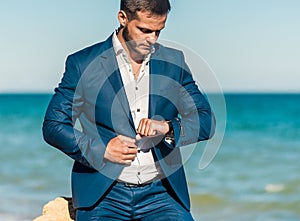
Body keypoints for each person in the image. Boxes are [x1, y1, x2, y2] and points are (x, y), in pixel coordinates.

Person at [42, 0, 215, 220]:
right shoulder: (82, 64)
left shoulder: (174, 62)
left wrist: (167, 128)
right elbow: (53, 126)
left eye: (158, 32)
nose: (152, 39)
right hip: (103, 195)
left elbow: (205, 120)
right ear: (123, 18)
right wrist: (102, 149)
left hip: (162, 195)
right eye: (144, 30)